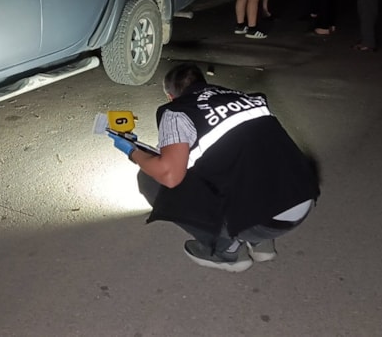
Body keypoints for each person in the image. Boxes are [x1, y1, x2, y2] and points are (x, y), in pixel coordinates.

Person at [107, 64, 320, 273]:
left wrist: (133, 152)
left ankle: (226, 249)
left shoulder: (176, 111)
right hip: (301, 198)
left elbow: (169, 175)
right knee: (247, 165)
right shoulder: (248, 98)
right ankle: (260, 244)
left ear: (170, 96)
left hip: (264, 222)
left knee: (150, 179)